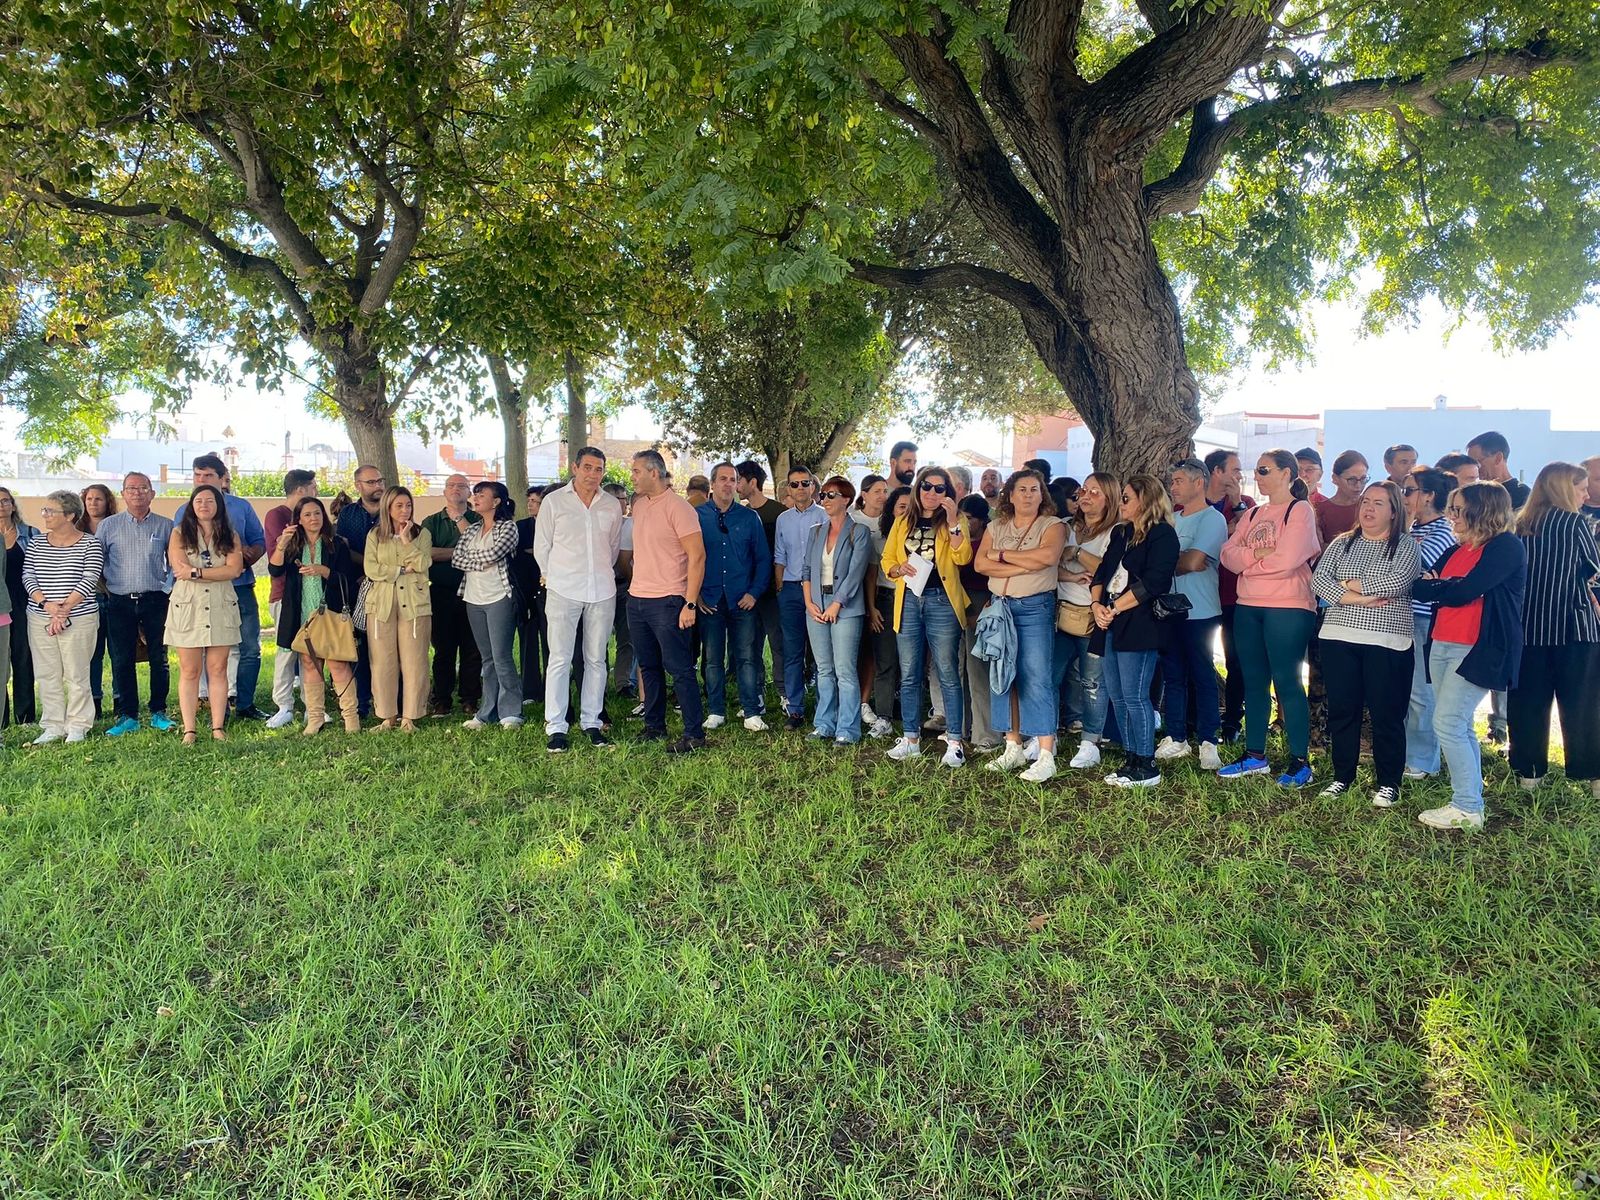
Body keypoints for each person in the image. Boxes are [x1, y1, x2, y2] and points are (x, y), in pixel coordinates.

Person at [1412, 482, 1526, 830]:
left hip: (1479, 648)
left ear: (1483, 511)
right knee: (1457, 723)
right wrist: (1446, 587)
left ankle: (1467, 807)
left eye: (1458, 509)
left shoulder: (1505, 546)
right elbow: (1419, 586)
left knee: (1447, 722)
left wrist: (1442, 586)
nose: (1451, 516)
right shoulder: (1457, 549)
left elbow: (1464, 592)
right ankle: (1470, 797)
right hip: (1442, 642)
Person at [1311, 481, 1422, 806]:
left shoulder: (1406, 545)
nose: (1369, 509)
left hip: (1387, 642)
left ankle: (1389, 781)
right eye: (1366, 502)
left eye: (1379, 503)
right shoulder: (1342, 542)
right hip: (1338, 639)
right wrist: (1358, 597)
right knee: (1343, 711)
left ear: (1393, 511)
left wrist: (1343, 588)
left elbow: (1398, 581)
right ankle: (1341, 776)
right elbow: (1319, 580)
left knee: (1387, 713)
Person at [1218, 449, 1322, 787]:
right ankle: (1254, 755)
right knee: (1253, 680)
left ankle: (1299, 761)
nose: (1257, 476)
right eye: (1257, 470)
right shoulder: (1251, 514)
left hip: (1289, 607)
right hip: (1248, 605)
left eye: (1264, 470)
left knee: (1287, 681)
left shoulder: (1300, 510)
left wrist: (1251, 563)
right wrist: (1257, 556)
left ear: (1287, 474)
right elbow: (1227, 556)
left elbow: (1289, 559)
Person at [1507, 462, 1600, 798]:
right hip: (1574, 627)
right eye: (1581, 487)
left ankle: (1529, 775)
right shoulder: (1576, 523)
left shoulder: (1519, 524)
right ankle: (1592, 776)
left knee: (1528, 704)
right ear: (1564, 488)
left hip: (1529, 627)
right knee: (1583, 705)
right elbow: (1593, 569)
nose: (1586, 494)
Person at [976, 469, 1067, 781]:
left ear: (1043, 494)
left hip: (1034, 608)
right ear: (1010, 495)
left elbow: (1049, 557)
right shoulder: (995, 525)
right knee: (1003, 675)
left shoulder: (1052, 525)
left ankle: (1045, 752)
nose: (1028, 494)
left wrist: (1001, 556)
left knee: (1037, 676)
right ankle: (1012, 747)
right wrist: (1025, 560)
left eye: (1034, 489)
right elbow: (980, 564)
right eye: (1022, 489)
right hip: (1000, 608)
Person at [1088, 475, 1180, 787]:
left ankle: (1146, 763)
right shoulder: (1121, 532)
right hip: (1110, 620)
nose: (1121, 503)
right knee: (1117, 695)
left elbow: (1154, 583)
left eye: (1126, 498)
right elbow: (1102, 572)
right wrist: (1096, 606)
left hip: (1138, 622)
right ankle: (1131, 758)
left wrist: (1114, 608)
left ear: (1146, 500)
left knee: (1135, 695)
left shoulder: (1163, 535)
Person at [882, 466, 972, 767]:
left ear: (948, 493)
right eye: (927, 487)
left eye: (940, 488)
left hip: (942, 601)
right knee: (909, 672)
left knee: (947, 671)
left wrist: (952, 521)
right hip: (908, 599)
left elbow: (962, 557)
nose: (932, 493)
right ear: (917, 489)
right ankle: (910, 738)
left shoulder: (954, 522)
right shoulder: (902, 520)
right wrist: (898, 570)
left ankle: (955, 741)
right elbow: (888, 559)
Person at [536, 447, 625, 751]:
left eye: (598, 469)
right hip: (562, 589)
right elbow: (542, 546)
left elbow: (612, 549)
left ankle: (592, 722)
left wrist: (599, 572)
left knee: (596, 659)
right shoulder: (554, 501)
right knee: (559, 659)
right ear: (574, 467)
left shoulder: (612, 505)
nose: (592, 474)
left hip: (601, 589)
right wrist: (553, 578)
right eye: (587, 467)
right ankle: (557, 727)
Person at [626, 449, 707, 753]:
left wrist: (689, 603)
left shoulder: (680, 508)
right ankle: (654, 726)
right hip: (637, 599)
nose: (632, 476)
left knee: (680, 668)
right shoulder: (640, 506)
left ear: (654, 473)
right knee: (648, 666)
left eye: (636, 471)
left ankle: (694, 734)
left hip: (670, 600)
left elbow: (697, 556)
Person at [176, 455, 267, 718]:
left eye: (207, 476)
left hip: (239, 587)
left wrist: (244, 557)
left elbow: (258, 541)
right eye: (197, 476)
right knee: (205, 648)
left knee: (249, 647)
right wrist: (214, 570)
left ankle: (245, 704)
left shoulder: (240, 507)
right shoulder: (185, 511)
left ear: (221, 477)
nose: (201, 481)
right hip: (199, 594)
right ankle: (215, 705)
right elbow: (181, 558)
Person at [267, 496, 361, 735]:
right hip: (300, 612)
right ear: (298, 519)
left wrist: (323, 571)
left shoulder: (336, 543)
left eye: (317, 513)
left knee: (338, 663)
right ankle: (315, 718)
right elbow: (275, 569)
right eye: (307, 514)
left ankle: (351, 718)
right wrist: (281, 544)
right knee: (309, 663)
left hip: (328, 612)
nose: (314, 518)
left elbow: (348, 580)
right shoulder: (292, 545)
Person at [1156, 459, 1227, 769]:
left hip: (1201, 610)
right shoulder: (1171, 519)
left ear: (1199, 483)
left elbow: (1195, 560)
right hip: (1170, 610)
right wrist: (1179, 561)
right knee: (1173, 675)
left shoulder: (1213, 519)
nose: (1173, 487)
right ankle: (1176, 736)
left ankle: (1209, 739)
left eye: (1180, 480)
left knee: (1202, 674)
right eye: (1172, 481)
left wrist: (1178, 561)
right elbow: (1170, 562)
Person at [22, 490, 104, 744]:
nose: (44, 515)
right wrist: (47, 605)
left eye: (50, 511)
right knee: (47, 673)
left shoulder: (90, 543)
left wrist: (65, 608)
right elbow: (28, 576)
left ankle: (78, 725)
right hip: (40, 616)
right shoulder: (36, 542)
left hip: (79, 617)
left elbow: (90, 578)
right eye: (44, 510)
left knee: (77, 672)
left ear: (70, 515)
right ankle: (53, 725)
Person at [97, 472, 176, 735]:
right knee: (121, 659)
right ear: (123, 494)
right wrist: (109, 591)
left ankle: (158, 711)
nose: (137, 493)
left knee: (159, 658)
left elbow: (174, 564)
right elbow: (98, 563)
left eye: (143, 488)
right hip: (119, 601)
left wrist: (166, 591)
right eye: (131, 488)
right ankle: (128, 716)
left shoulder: (166, 526)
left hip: (155, 600)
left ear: (152, 493)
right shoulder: (108, 526)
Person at [165, 484, 242, 743]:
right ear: (191, 505)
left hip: (221, 606)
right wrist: (209, 573)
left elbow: (233, 570)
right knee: (189, 670)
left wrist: (197, 573)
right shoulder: (178, 533)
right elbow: (179, 569)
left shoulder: (229, 535)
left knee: (218, 668)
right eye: (199, 501)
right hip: (188, 607)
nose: (204, 505)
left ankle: (218, 727)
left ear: (219, 505)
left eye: (210, 500)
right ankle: (190, 729)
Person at [696, 461, 770, 733]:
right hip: (710, 599)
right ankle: (716, 710)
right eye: (723, 479)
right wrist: (697, 594)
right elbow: (688, 558)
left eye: (733, 479)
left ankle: (751, 712)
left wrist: (754, 592)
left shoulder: (750, 518)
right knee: (713, 658)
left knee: (747, 657)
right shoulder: (697, 516)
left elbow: (763, 559)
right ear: (712, 484)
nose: (728, 484)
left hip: (743, 599)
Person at [800, 476, 874, 745]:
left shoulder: (859, 532)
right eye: (823, 495)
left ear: (846, 499)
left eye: (832, 495)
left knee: (845, 669)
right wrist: (809, 601)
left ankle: (848, 729)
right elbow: (806, 569)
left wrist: (837, 603)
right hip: (817, 604)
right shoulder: (816, 531)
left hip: (846, 607)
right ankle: (824, 724)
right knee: (823, 669)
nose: (825, 500)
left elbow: (856, 574)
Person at [1057, 472, 1118, 769]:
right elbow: (1048, 565)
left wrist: (1077, 552)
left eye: (1095, 492)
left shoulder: (1116, 531)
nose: (1086, 495)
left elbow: (1108, 571)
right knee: (1050, 675)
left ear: (1110, 498)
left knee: (1093, 680)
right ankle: (1045, 734)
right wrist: (1071, 569)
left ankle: (1091, 741)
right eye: (1085, 489)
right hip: (1059, 610)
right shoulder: (1066, 526)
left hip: (1094, 615)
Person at [1401, 468, 1458, 780]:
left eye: (1409, 491)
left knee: (1422, 693)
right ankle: (1413, 755)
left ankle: (1423, 761)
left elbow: (1407, 572)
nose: (1404, 496)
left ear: (1429, 495)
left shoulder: (1443, 532)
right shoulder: (1414, 530)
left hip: (1425, 619)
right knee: (1409, 692)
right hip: (1405, 618)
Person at [453, 481, 524, 729]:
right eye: (476, 494)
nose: (476, 498)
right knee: (487, 658)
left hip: (499, 597)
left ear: (496, 502)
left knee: (502, 656)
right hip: (473, 598)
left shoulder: (508, 528)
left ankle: (511, 712)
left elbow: (495, 554)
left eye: (482, 494)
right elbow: (456, 558)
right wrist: (479, 562)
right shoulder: (471, 530)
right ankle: (487, 712)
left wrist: (475, 560)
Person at [364, 486, 432, 732]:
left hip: (414, 603)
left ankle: (410, 717)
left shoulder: (421, 534)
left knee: (415, 659)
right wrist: (401, 570)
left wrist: (405, 542)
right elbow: (371, 569)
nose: (405, 510)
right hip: (381, 603)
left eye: (409, 505)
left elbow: (424, 563)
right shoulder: (375, 534)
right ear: (388, 508)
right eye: (399, 506)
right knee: (382, 660)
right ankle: (387, 715)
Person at [421, 473, 482, 717]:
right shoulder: (431, 521)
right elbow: (426, 553)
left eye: (462, 486)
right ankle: (442, 699)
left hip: (474, 593)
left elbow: (479, 548)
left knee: (472, 648)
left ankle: (470, 698)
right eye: (451, 485)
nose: (456, 489)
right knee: (443, 649)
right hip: (441, 593)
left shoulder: (479, 518)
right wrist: (461, 552)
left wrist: (447, 552)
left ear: (469, 493)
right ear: (444, 491)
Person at [773, 465, 828, 729]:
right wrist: (780, 586)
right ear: (788, 489)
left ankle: (823, 708)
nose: (799, 489)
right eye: (794, 484)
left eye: (805, 483)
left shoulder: (826, 515)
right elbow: (779, 555)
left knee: (820, 653)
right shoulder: (783, 519)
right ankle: (795, 709)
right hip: (791, 589)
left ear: (813, 487)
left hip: (818, 589)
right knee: (793, 650)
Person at [263, 469, 318, 728]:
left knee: (312, 652)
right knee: (286, 651)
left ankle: (313, 706)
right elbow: (277, 559)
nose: (316, 493)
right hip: (285, 594)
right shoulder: (277, 516)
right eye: (313, 487)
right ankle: (283, 705)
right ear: (301, 489)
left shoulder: (315, 518)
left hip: (313, 595)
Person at [1205, 449, 1254, 742]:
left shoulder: (1246, 504)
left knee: (1236, 659)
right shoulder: (1190, 505)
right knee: (1198, 658)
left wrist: (1237, 508)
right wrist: (1229, 532)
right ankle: (1198, 717)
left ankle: (1233, 721)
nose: (1239, 476)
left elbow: (1249, 538)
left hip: (1236, 596)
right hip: (1202, 595)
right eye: (1234, 470)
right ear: (1216, 471)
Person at [335, 464, 385, 715]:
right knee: (361, 645)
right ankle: (363, 701)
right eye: (371, 482)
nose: (378, 486)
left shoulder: (393, 510)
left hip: (389, 586)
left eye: (380, 481)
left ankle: (390, 701)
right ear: (358, 486)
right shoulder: (348, 515)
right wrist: (367, 571)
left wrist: (377, 571)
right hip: (357, 587)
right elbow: (343, 549)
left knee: (387, 645)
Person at [736, 459, 786, 700]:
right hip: (747, 593)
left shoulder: (779, 513)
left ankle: (785, 694)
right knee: (750, 646)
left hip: (773, 592)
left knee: (779, 644)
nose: (735, 487)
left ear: (752, 482)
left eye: (738, 480)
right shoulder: (739, 514)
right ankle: (756, 694)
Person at [865, 487, 910, 738]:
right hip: (885, 600)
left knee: (910, 664)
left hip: (913, 601)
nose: (905, 511)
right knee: (885, 661)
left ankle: (908, 714)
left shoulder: (921, 537)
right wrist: (871, 609)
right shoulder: (880, 538)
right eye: (901, 506)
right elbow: (871, 577)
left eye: (909, 506)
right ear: (892, 508)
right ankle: (883, 717)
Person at [955, 493, 997, 751]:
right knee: (956, 669)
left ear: (982, 521)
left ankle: (986, 733)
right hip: (954, 602)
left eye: (969, 518)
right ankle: (959, 727)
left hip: (981, 604)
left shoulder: (986, 542)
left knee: (978, 671)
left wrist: (979, 611)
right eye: (961, 517)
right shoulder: (954, 539)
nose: (964, 522)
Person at [77, 482, 119, 716]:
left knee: (117, 653)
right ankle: (94, 701)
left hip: (113, 596)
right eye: (89, 499)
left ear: (107, 502)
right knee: (92, 654)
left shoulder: (117, 526)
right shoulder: (76, 530)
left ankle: (120, 699)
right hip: (86, 599)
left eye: (98, 499)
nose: (93, 503)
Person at [0, 487, 39, 727]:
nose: (1, 506)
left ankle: (25, 717)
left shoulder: (30, 533)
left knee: (23, 658)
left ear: (13, 506)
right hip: (0, 607)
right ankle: (1, 719)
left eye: (5, 501)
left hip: (24, 604)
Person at [514, 485, 546, 705]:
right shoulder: (521, 527)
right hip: (525, 588)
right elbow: (517, 557)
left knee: (550, 641)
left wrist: (536, 551)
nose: (531, 504)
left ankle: (550, 686)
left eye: (536, 501)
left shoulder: (556, 525)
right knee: (527, 639)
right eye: (530, 501)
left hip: (551, 590)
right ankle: (530, 689)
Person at [1466, 431, 1530, 508]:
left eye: (1477, 463)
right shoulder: (1475, 494)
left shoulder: (1523, 496)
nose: (1474, 469)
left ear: (1498, 458)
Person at [1317, 451, 1368, 544]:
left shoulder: (1370, 507)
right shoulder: (1320, 510)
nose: (1358, 485)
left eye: (1363, 479)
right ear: (1335, 478)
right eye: (1352, 479)